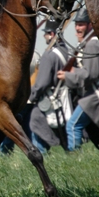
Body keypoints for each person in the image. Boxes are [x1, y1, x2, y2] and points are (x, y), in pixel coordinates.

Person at [60, 7, 99, 152]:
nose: (78, 28)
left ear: (90, 25)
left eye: (81, 24)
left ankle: (74, 159)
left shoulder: (92, 44)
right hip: (98, 94)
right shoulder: (92, 43)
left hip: (96, 94)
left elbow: (91, 75)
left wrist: (67, 76)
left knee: (73, 125)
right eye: (77, 24)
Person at [27, 19, 69, 153]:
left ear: (51, 34)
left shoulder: (49, 55)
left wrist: (30, 96)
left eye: (46, 33)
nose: (44, 36)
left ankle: (40, 154)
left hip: (49, 99)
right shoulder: (66, 51)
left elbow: (41, 84)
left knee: (35, 120)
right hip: (63, 99)